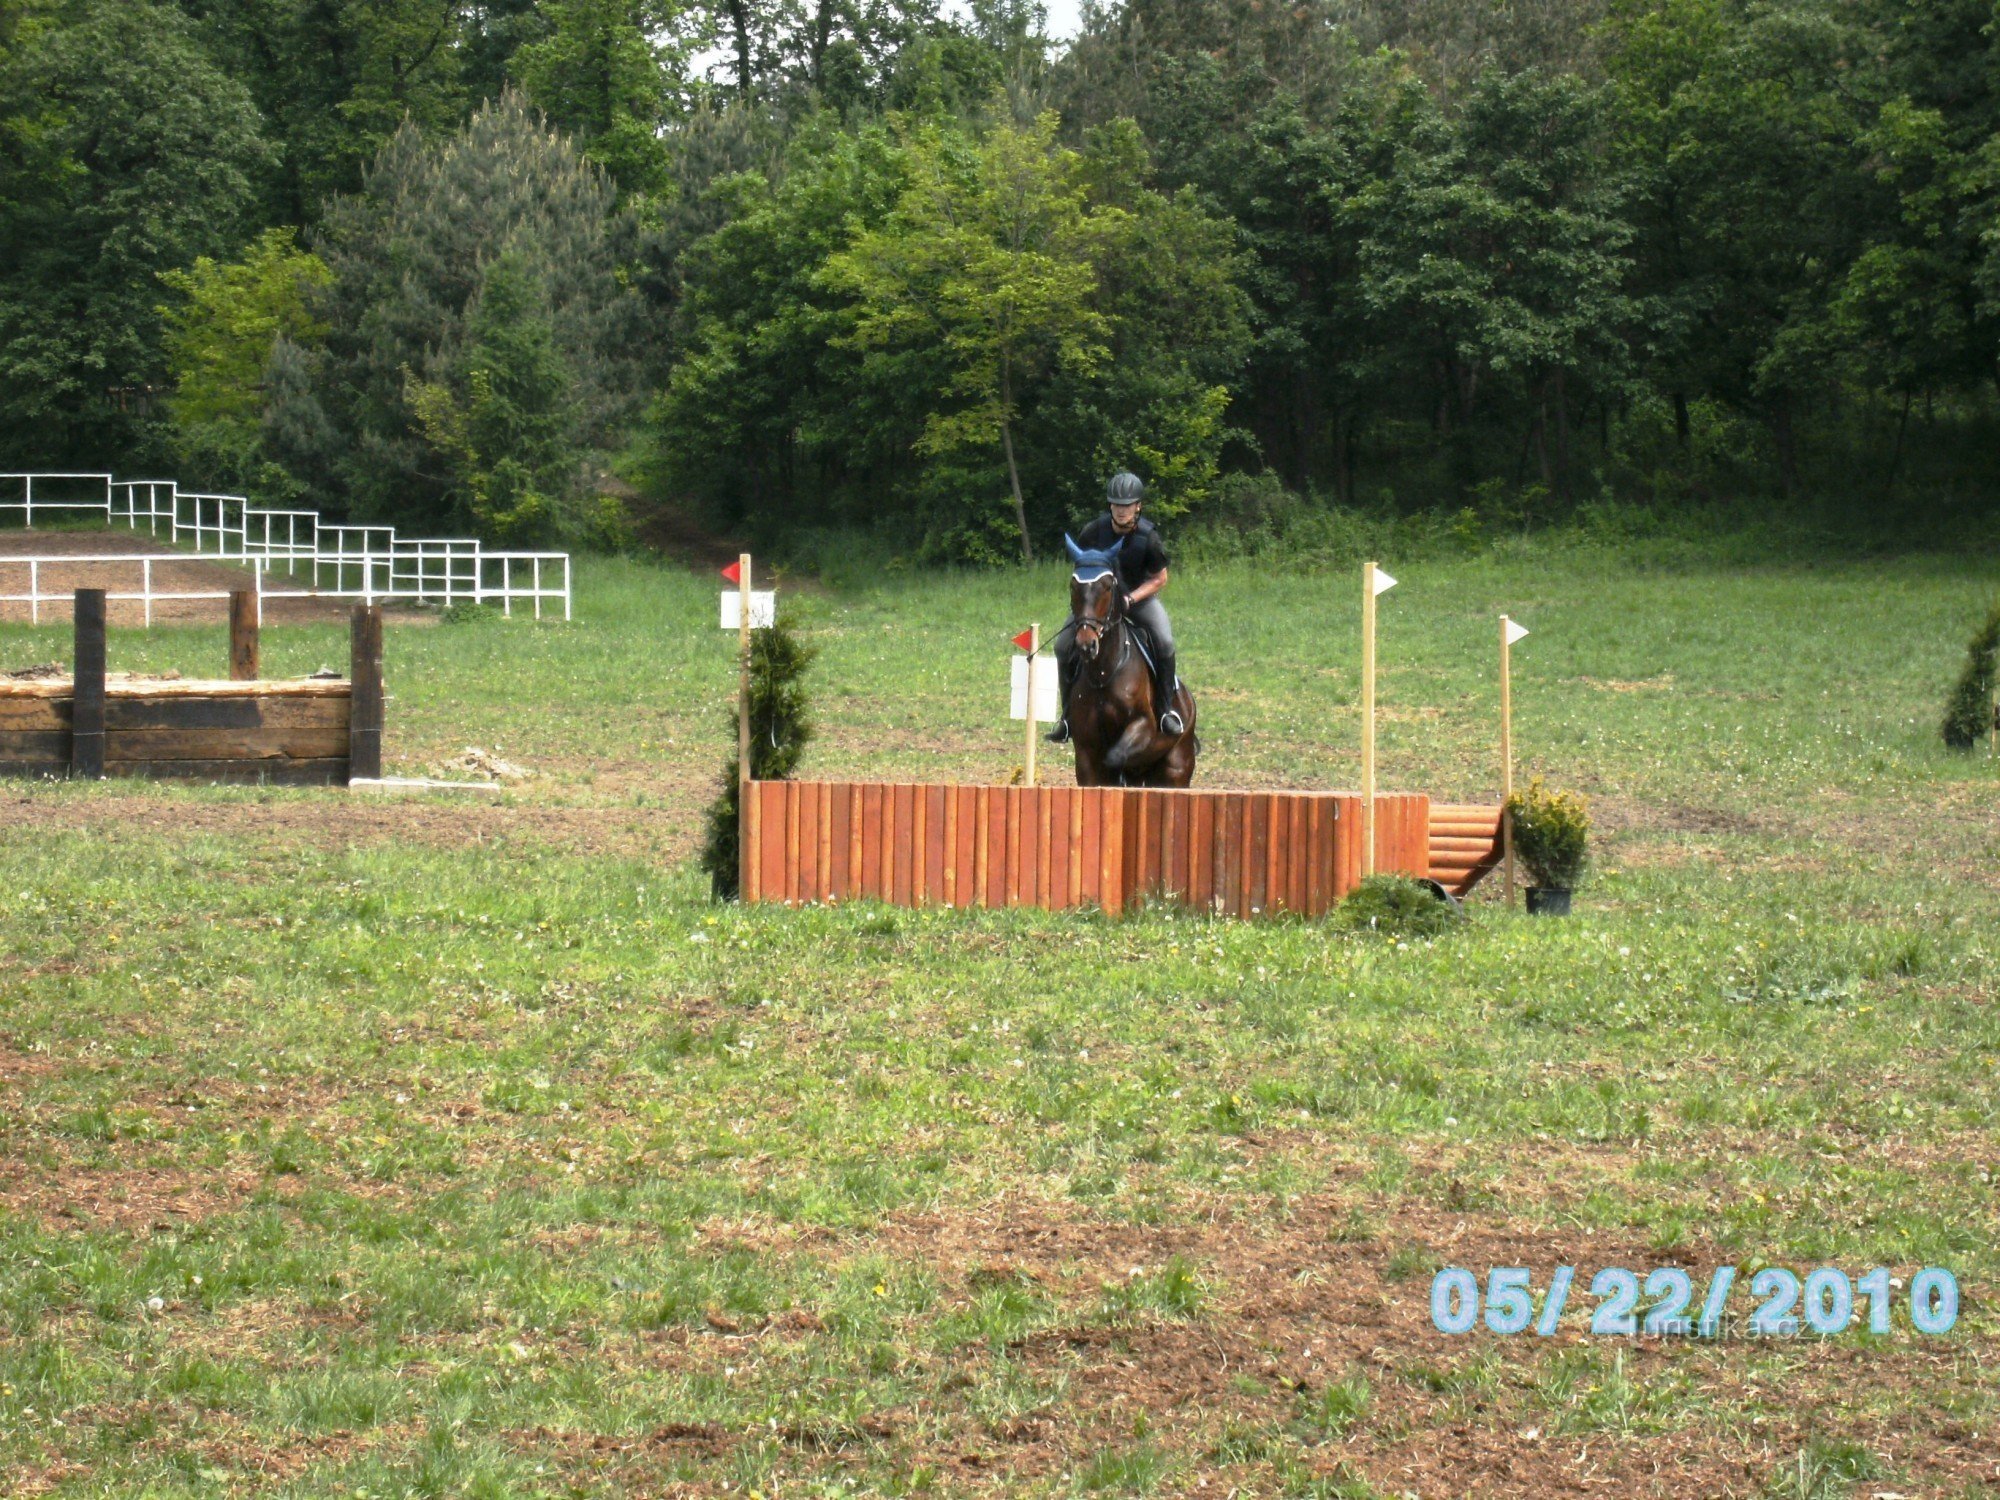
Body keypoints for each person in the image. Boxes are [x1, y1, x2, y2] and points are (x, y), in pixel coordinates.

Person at [1047, 470, 1183, 742]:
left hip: (1138, 600)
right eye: (1117, 505)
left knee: (1165, 642)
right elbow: (1081, 573)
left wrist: (1131, 598)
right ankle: (1067, 718)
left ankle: (1165, 710)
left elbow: (1160, 578)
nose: (1122, 511)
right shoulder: (1092, 532)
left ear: (1138, 506)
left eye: (1128, 505)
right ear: (1110, 506)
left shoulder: (1149, 538)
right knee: (1062, 645)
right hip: (1098, 603)